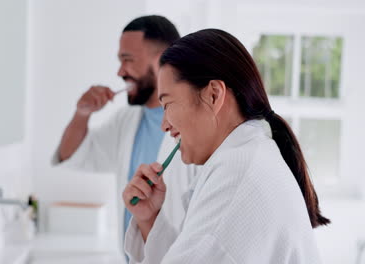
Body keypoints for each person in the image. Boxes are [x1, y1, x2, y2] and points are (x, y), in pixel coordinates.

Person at [123, 28, 330, 263]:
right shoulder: (247, 158)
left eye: (168, 104)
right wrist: (149, 219)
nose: (164, 125)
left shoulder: (237, 176)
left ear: (213, 94)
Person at [52, 15, 197, 251]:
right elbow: (74, 156)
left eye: (128, 60)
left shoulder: (196, 128)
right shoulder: (126, 120)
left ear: (163, 60)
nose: (120, 71)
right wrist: (82, 113)